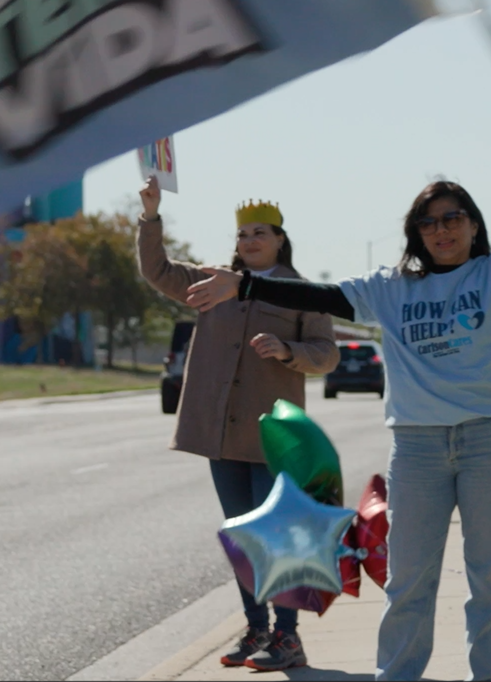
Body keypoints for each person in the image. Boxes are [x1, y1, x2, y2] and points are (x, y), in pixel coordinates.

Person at [184, 181, 491, 682]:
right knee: (408, 582)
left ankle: (489, 676)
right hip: (418, 448)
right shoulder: (391, 287)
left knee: (489, 581)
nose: (441, 230)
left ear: (473, 224)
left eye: (452, 218)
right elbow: (321, 296)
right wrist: (245, 285)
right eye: (428, 222)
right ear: (415, 232)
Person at [135, 177, 339, 672]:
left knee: (275, 535)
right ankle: (257, 630)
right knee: (241, 535)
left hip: (274, 437)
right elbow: (156, 269)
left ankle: (288, 637)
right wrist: (150, 215)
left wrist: (288, 350)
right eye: (244, 234)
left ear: (279, 239)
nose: (250, 241)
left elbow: (327, 355)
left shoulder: (303, 292)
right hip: (222, 436)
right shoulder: (212, 281)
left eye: (261, 233)